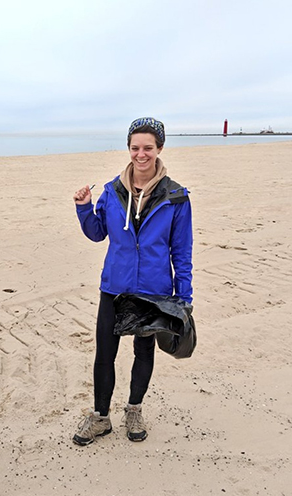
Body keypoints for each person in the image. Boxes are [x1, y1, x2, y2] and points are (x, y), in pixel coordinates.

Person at [72, 117, 193, 446]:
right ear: (128, 149)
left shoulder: (177, 197)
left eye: (148, 148)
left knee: (144, 352)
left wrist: (183, 297)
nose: (141, 154)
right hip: (114, 286)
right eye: (135, 147)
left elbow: (181, 251)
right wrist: (84, 208)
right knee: (104, 354)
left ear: (159, 149)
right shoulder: (111, 191)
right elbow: (98, 233)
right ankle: (100, 418)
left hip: (153, 291)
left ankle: (134, 410)